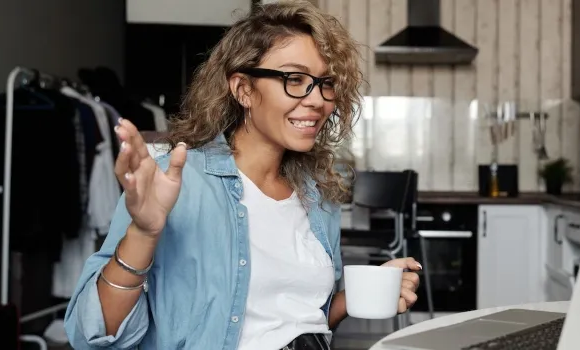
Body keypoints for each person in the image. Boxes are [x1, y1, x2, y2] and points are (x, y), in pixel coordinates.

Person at [63, 1, 422, 349]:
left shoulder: (317, 196)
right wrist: (143, 234)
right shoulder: (176, 184)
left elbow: (297, 319)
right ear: (243, 90)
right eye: (295, 78)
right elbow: (90, 334)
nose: (317, 100)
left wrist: (358, 296)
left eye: (326, 82)